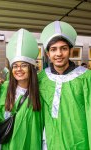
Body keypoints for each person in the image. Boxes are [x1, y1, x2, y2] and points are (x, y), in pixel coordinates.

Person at [38, 21, 91, 149]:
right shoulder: (41, 78)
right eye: (53, 49)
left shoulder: (86, 77)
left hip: (78, 142)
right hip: (50, 141)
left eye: (64, 48)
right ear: (47, 53)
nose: (59, 54)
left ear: (71, 51)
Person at [0, 28, 43, 150]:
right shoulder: (5, 87)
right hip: (9, 144)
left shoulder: (40, 90)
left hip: (32, 143)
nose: (19, 69)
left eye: (24, 65)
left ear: (31, 68)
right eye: (15, 66)